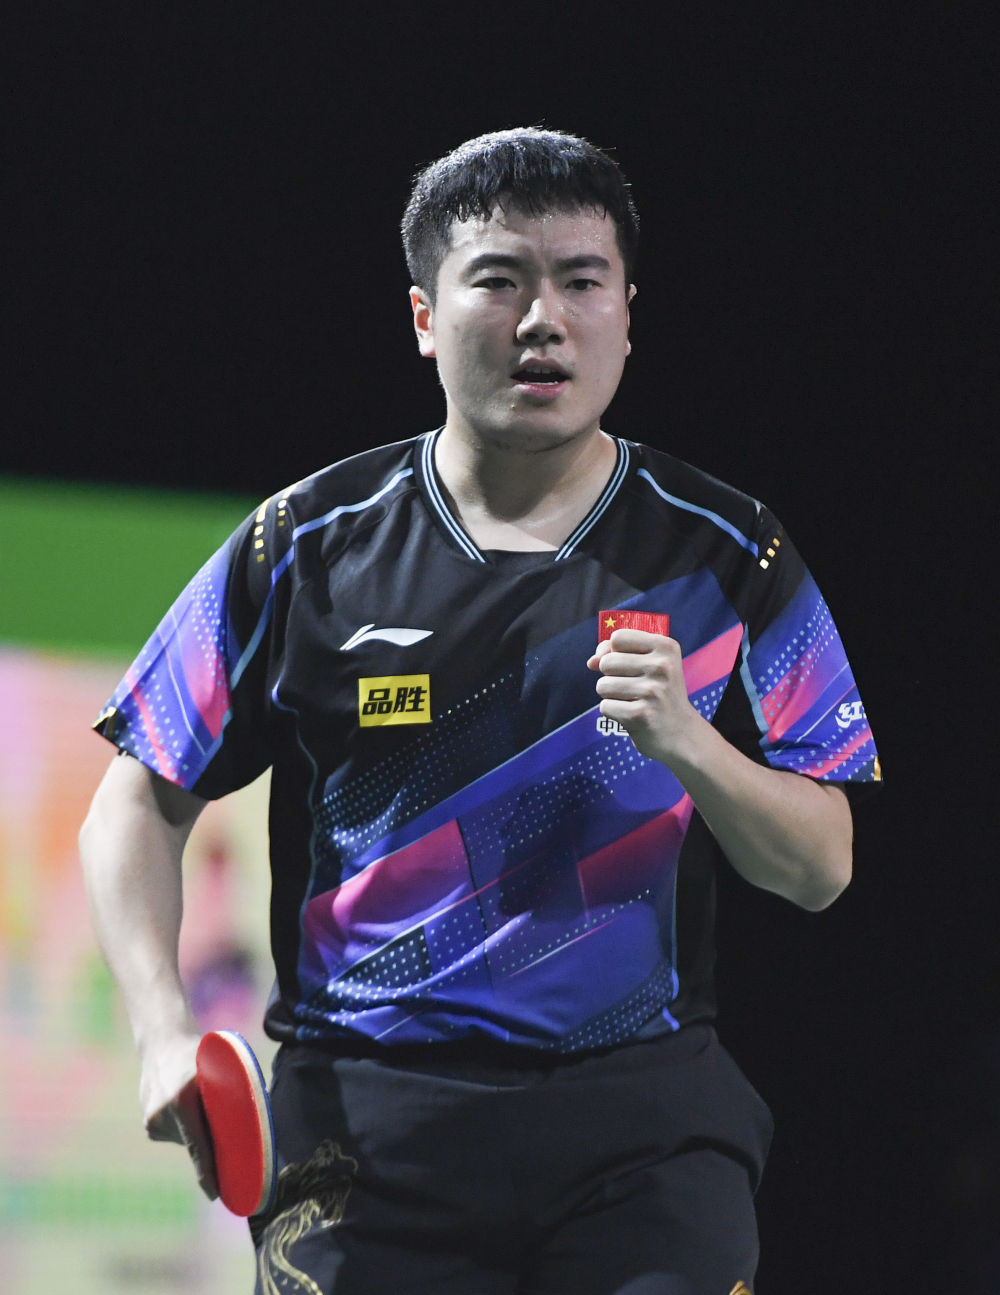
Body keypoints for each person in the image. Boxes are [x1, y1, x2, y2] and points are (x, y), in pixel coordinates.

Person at [80, 127, 880, 1295]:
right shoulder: (303, 544)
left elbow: (820, 866)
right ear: (424, 316)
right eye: (499, 280)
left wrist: (689, 744)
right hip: (367, 1128)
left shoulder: (729, 550)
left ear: (626, 315)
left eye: (581, 281)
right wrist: (160, 1031)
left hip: (639, 1126)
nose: (541, 319)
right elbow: (135, 800)